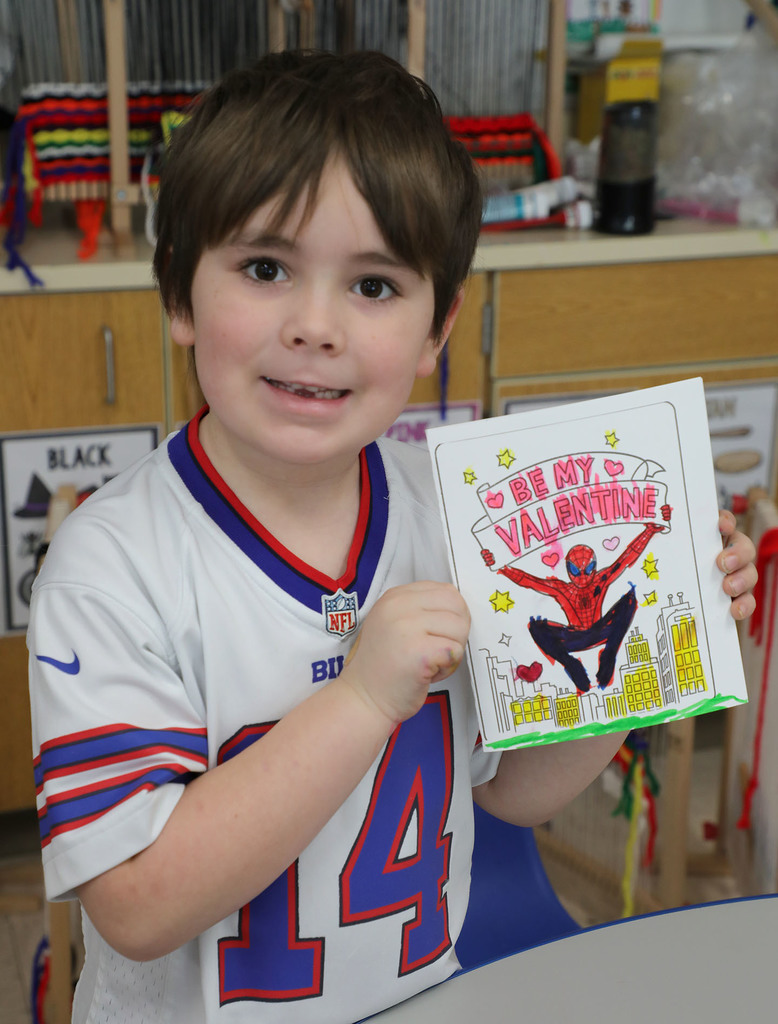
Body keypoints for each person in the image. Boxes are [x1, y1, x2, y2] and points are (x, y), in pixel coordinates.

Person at [27, 50, 757, 1024]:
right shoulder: (113, 564)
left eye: (372, 286)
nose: (315, 325)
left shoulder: (455, 517)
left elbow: (511, 793)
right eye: (264, 267)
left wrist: (635, 663)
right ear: (178, 296)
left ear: (433, 330)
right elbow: (137, 905)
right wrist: (364, 695)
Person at [480, 506, 672, 693]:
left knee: (630, 599)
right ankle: (571, 664)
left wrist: (648, 531)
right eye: (575, 570)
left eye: (588, 570)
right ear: (568, 570)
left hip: (601, 628)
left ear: (595, 567)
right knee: (536, 626)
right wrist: (501, 567)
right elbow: (529, 581)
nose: (582, 576)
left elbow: (626, 558)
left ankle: (609, 654)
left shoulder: (601, 580)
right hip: (574, 637)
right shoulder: (562, 589)